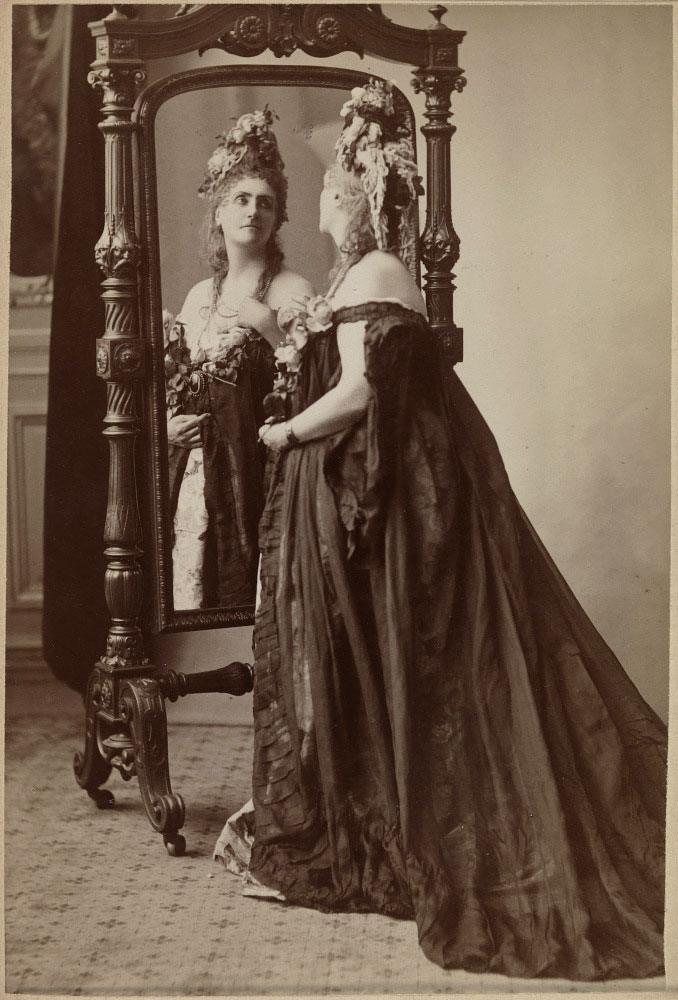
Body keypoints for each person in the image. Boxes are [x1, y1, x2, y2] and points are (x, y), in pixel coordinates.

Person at [215, 81, 666, 980]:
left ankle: (390, 827)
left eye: (337, 193)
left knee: (410, 654)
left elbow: (359, 392)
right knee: (382, 655)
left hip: (390, 486)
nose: (328, 207)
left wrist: (285, 433)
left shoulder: (377, 272)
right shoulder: (362, 274)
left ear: (363, 201)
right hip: (386, 480)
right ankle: (369, 804)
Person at [164, 108, 314, 610]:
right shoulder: (196, 296)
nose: (253, 211)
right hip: (194, 472)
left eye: (265, 203)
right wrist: (169, 425)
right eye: (241, 199)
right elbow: (177, 384)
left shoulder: (292, 290)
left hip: (259, 470)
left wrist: (267, 325)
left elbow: (316, 380)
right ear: (219, 213)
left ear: (278, 218)